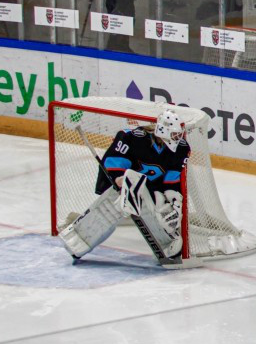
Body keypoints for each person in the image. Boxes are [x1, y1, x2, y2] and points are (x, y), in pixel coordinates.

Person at [59, 107, 189, 261]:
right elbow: (114, 164)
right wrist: (119, 179)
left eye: (178, 134)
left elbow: (171, 183)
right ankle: (80, 241)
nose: (177, 138)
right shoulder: (134, 138)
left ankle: (167, 241)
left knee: (162, 209)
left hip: (149, 186)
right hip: (120, 182)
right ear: (162, 130)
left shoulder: (181, 149)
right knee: (118, 203)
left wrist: (174, 201)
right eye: (173, 134)